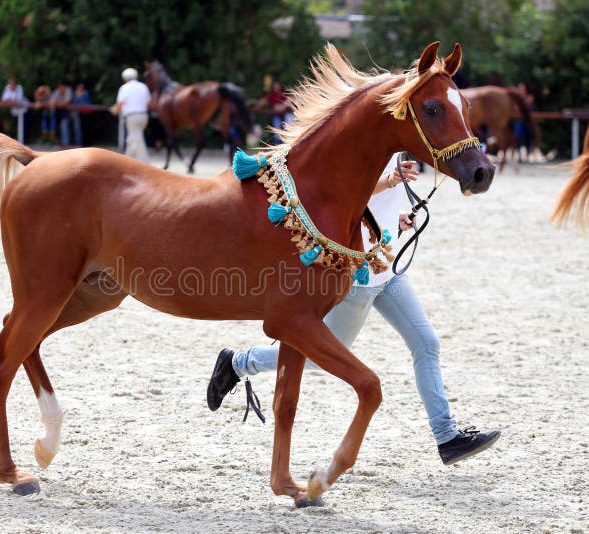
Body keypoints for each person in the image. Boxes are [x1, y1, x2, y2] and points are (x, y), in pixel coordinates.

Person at [207, 155, 501, 466]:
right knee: (326, 354)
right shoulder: (366, 143)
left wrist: (395, 218)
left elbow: (370, 208)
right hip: (360, 275)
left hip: (387, 271)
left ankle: (447, 437)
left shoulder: (397, 149)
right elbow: (343, 192)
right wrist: (389, 181)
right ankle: (240, 363)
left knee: (426, 343)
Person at [111, 67, 151, 163]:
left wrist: (114, 110)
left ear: (125, 78)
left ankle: (145, 163)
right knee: (132, 139)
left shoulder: (124, 88)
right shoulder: (143, 86)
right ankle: (127, 160)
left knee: (136, 138)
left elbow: (120, 104)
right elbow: (148, 102)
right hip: (144, 115)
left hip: (132, 116)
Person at [252, 81, 292, 145]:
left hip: (286, 115)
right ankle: (278, 145)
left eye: (277, 86)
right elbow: (263, 102)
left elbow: (285, 105)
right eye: (275, 86)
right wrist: (256, 108)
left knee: (288, 130)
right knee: (277, 133)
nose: (276, 87)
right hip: (277, 116)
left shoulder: (285, 94)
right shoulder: (271, 95)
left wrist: (281, 107)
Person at [51, 82, 72, 147]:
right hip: (59, 113)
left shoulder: (68, 90)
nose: (60, 90)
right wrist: (60, 104)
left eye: (61, 88)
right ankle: (62, 143)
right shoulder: (57, 91)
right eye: (59, 88)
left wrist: (57, 104)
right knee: (59, 128)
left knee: (64, 127)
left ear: (64, 87)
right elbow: (51, 102)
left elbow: (67, 102)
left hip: (69, 113)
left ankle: (65, 144)